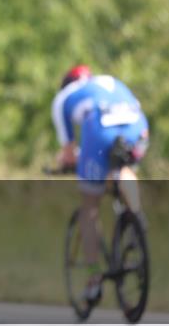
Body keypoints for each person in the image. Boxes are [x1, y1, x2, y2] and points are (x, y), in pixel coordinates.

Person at [51, 64, 149, 304]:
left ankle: (94, 280)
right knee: (122, 167)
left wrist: (65, 163)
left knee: (89, 206)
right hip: (138, 127)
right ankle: (135, 217)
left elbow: (69, 152)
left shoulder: (63, 99)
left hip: (100, 132)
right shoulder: (110, 81)